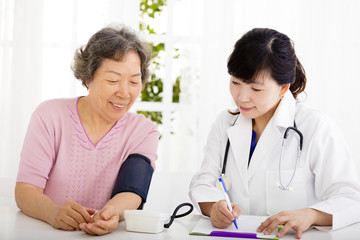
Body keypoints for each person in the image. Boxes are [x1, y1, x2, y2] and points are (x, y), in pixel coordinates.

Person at [189, 28, 360, 239]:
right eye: (235, 83)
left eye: (256, 89)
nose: (242, 97)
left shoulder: (316, 127)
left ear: (283, 88)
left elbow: (351, 198)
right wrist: (215, 207)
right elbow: (203, 184)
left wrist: (311, 215)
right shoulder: (224, 124)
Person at [15, 25, 160, 235]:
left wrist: (112, 213)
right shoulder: (49, 116)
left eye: (134, 81)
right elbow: (25, 191)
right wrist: (52, 213)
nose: (125, 93)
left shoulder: (143, 131)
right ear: (87, 77)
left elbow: (132, 190)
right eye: (113, 80)